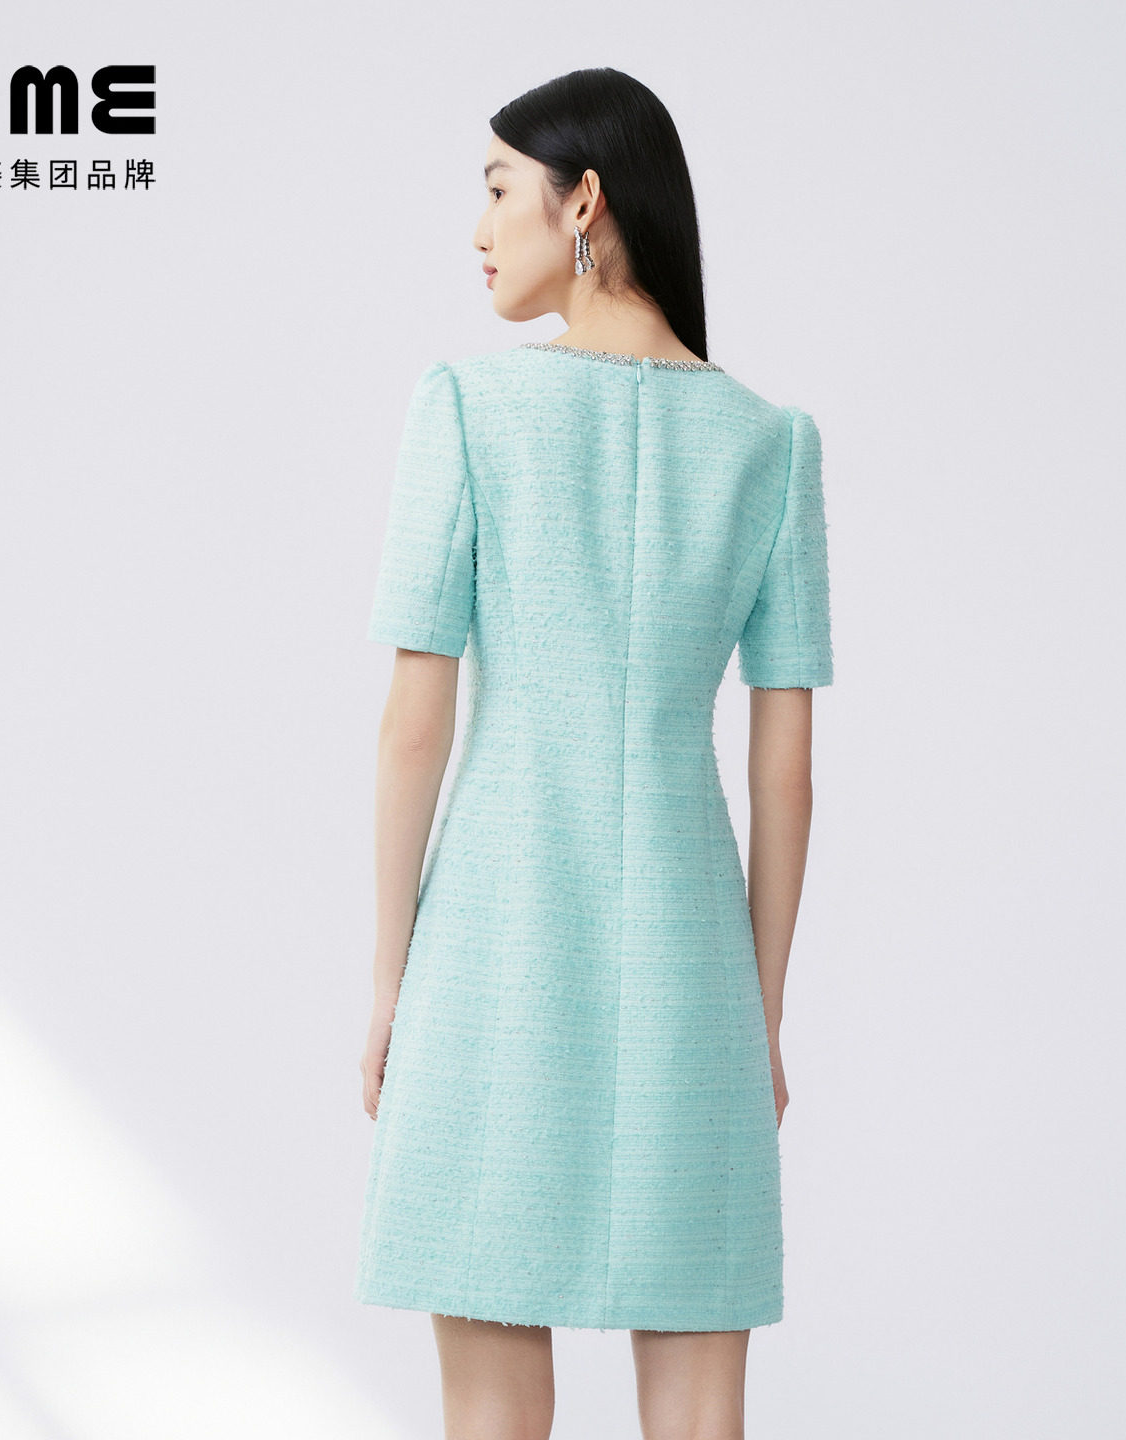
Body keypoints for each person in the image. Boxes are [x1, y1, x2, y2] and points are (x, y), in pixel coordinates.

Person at [355, 67, 833, 1440]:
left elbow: (413, 725)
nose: (478, 227)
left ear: (585, 202)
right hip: (693, 975)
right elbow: (787, 778)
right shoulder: (772, 445)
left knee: (492, 1417)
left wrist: (388, 982)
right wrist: (760, 1015)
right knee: (700, 1416)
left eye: (497, 188)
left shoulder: (465, 408)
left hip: (492, 956)